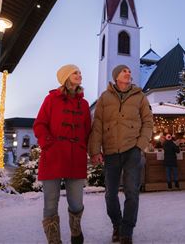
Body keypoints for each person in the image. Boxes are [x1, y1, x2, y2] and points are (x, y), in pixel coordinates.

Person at [88, 64, 153, 244]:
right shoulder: (105, 97)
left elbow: (148, 122)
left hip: (132, 149)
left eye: (129, 72)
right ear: (116, 76)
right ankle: (117, 224)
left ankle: (126, 232)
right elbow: (97, 125)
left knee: (132, 192)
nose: (128, 73)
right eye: (125, 71)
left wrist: (140, 145)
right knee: (110, 194)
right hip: (110, 151)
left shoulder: (139, 96)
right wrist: (94, 151)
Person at [33, 64, 91, 244]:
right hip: (53, 157)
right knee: (50, 204)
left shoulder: (84, 104)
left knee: (76, 203)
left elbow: (88, 131)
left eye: (80, 72)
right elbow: (39, 124)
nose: (79, 75)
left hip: (76, 158)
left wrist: (88, 149)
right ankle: (54, 241)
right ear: (66, 76)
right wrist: (47, 144)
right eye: (75, 72)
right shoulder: (51, 99)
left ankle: (76, 231)